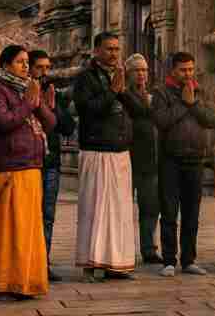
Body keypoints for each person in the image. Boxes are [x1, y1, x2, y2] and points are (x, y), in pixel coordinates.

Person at [0, 45, 55, 300]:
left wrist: (39, 104)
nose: (26, 66)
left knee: (28, 229)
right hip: (8, 166)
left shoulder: (25, 88)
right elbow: (2, 122)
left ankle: (25, 282)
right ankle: (3, 284)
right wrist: (28, 103)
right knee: (7, 229)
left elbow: (51, 123)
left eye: (26, 62)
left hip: (30, 165)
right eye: (20, 62)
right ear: (5, 64)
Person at [73, 32, 143, 281]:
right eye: (109, 49)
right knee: (95, 209)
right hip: (97, 151)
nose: (114, 53)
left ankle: (116, 264)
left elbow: (138, 111)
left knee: (120, 211)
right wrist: (113, 91)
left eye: (116, 49)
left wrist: (123, 91)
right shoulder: (85, 78)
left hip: (120, 152)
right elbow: (88, 110)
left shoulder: (120, 76)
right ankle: (90, 265)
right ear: (96, 51)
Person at [151, 51, 215, 277]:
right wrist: (184, 102)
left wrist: (194, 104)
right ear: (173, 70)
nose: (188, 74)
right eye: (183, 70)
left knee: (192, 213)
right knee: (169, 212)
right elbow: (162, 121)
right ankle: (169, 260)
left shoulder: (200, 90)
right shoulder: (161, 93)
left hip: (195, 160)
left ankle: (189, 260)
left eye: (191, 69)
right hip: (170, 160)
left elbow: (212, 119)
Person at [31, 49, 75, 282]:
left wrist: (53, 107)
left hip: (51, 162)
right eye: (39, 67)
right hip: (28, 162)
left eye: (48, 67)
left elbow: (67, 127)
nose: (45, 72)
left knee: (47, 215)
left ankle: (42, 262)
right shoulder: (23, 91)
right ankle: (26, 262)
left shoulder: (53, 93)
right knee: (28, 215)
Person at [125, 54, 161, 265]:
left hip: (149, 160)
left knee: (150, 208)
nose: (141, 74)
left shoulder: (152, 96)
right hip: (128, 159)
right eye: (137, 70)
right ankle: (125, 249)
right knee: (124, 208)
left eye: (144, 70)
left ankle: (149, 249)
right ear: (128, 73)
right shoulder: (124, 94)